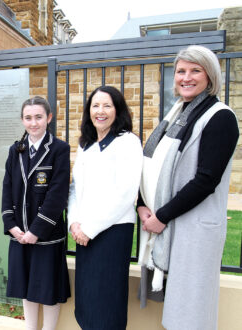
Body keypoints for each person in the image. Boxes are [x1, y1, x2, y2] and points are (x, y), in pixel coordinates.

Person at [137, 45, 239, 330]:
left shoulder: (220, 117)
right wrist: (142, 205)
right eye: (181, 71)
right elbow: (150, 164)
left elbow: (206, 179)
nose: (186, 77)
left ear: (211, 76)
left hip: (193, 229)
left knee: (192, 311)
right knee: (176, 308)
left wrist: (162, 216)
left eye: (196, 70)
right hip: (169, 223)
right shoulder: (177, 116)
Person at [67, 86, 142, 329]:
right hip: (84, 234)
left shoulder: (127, 142)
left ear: (117, 110)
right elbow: (75, 188)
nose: (100, 111)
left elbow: (125, 193)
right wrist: (74, 222)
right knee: (87, 301)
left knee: (107, 302)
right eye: (95, 105)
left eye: (107, 105)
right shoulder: (86, 144)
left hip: (111, 233)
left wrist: (90, 228)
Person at [1, 96, 70, 330]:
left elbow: (57, 195)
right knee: (26, 288)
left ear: (48, 118)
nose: (33, 123)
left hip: (47, 235)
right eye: (28, 118)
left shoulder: (59, 149)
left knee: (48, 290)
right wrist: (11, 225)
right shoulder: (15, 150)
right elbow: (7, 187)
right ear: (22, 120)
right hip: (20, 234)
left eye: (39, 117)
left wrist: (36, 231)